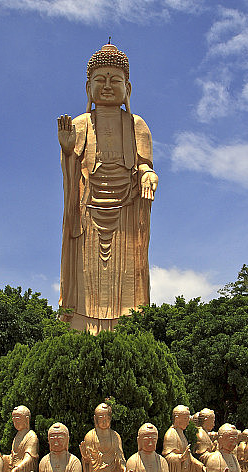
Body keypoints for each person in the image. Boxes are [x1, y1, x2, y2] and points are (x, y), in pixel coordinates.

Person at [57, 43, 158, 333]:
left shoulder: (137, 124)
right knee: (85, 274)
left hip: (126, 211)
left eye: (115, 80)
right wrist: (68, 151)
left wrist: (148, 174)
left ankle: (129, 327)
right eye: (100, 80)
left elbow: (144, 164)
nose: (107, 86)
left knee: (127, 273)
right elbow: (73, 170)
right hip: (88, 212)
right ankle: (80, 326)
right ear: (88, 87)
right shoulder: (79, 124)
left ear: (128, 88)